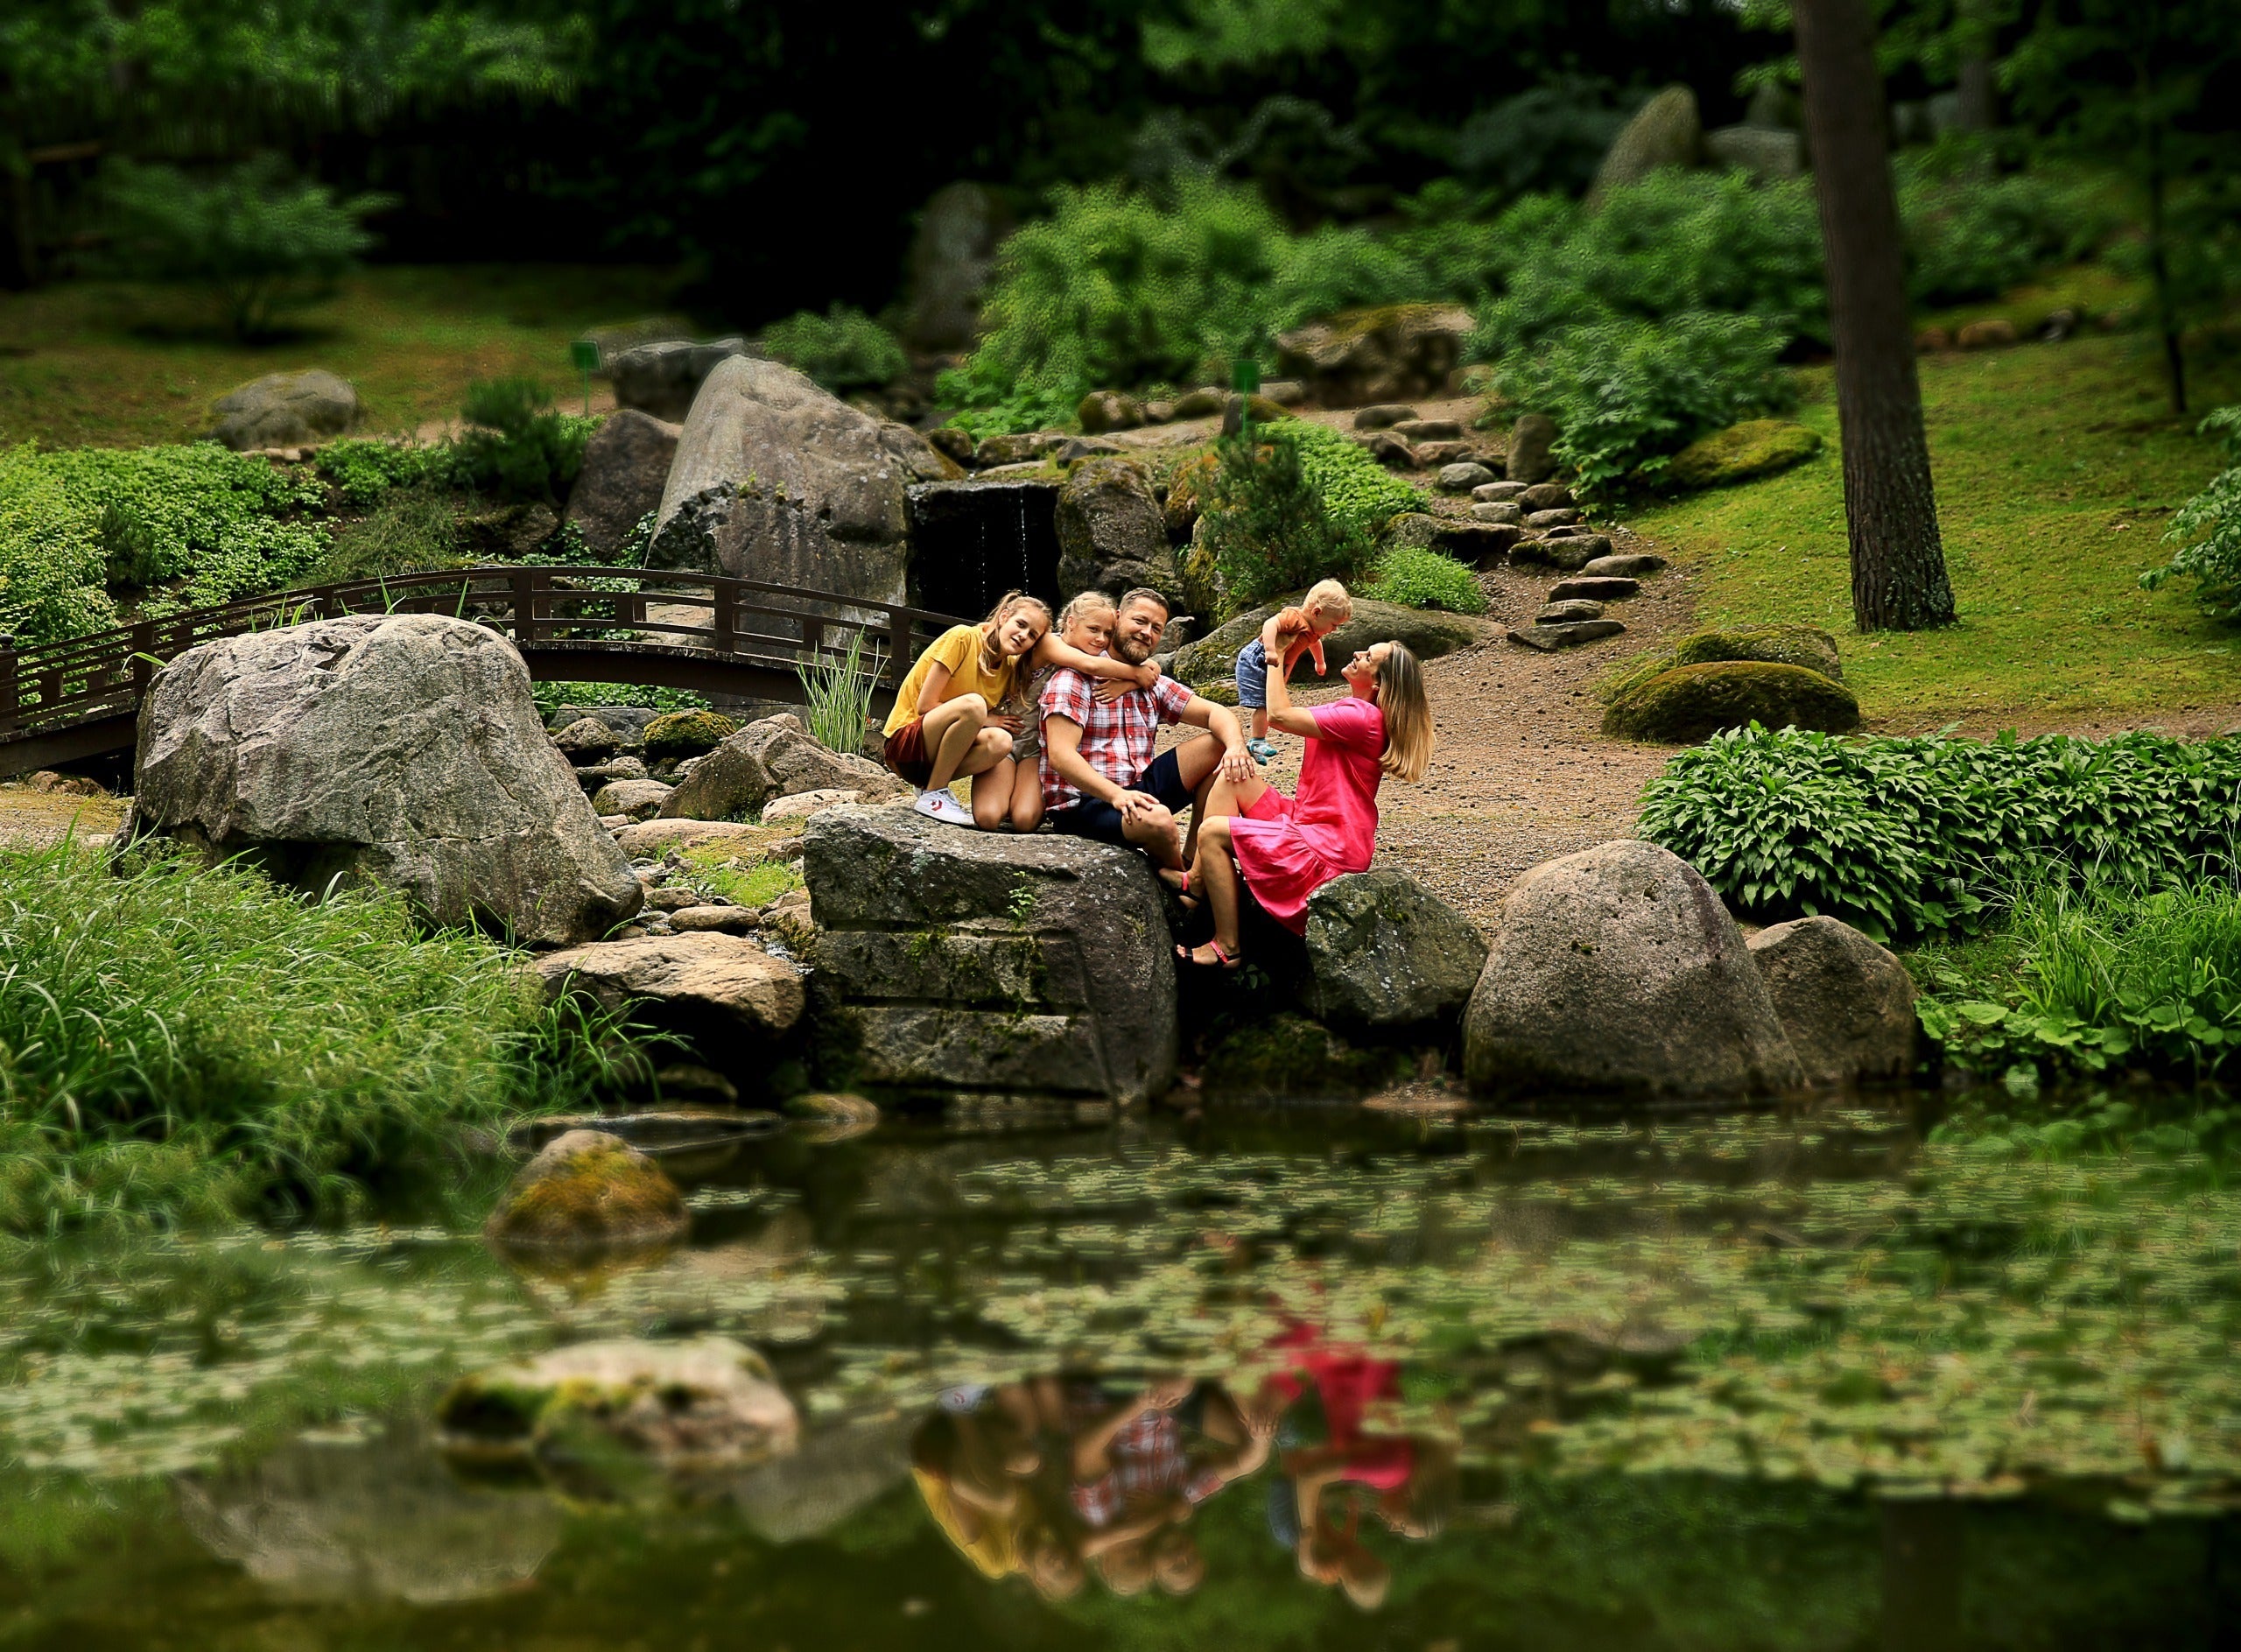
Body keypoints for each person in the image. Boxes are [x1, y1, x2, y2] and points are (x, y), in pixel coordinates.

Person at [1168, 618, 1434, 967]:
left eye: (1368, 657)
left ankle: (1228, 946)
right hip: (1309, 823)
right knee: (1234, 776)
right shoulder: (1356, 710)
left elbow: (1278, 716)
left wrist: (1274, 655)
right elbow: (1281, 707)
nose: (1358, 653)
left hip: (1328, 849)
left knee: (1213, 832)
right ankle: (1198, 881)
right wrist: (1286, 655)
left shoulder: (1362, 717)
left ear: (1378, 683)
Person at [1039, 588, 1255, 869]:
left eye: (1156, 628)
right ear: (1117, 619)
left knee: (1220, 746)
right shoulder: (1073, 677)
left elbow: (1216, 712)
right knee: (1160, 821)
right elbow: (1060, 756)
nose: (1146, 632)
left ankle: (1194, 862)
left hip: (1138, 787)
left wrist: (1236, 746)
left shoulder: (1148, 680)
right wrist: (1117, 795)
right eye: (1140, 621)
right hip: (1085, 803)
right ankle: (1182, 881)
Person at [882, 593, 1050, 828]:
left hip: (932, 762)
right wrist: (987, 719)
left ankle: (929, 786)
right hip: (906, 744)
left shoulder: (1010, 667)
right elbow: (925, 705)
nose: (1023, 635)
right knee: (974, 705)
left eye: (1033, 635)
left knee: (1001, 742)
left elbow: (1060, 649)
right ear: (1004, 617)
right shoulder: (963, 638)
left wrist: (1107, 674)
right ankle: (934, 794)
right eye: (1021, 624)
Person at [1001, 591, 1162, 833]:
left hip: (1034, 747)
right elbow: (1090, 665)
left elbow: (1153, 667)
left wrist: (1129, 683)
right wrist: (1135, 674)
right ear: (1071, 622)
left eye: (1108, 633)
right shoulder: (1049, 642)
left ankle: (1021, 796)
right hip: (1009, 735)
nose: (1101, 639)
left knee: (1025, 820)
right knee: (991, 815)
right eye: (1093, 629)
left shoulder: (1093, 653)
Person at [1233, 580, 1352, 763]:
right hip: (1257, 659)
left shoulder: (1313, 630)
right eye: (1334, 624)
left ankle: (1257, 743)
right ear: (1317, 613)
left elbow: (1315, 644)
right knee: (1263, 705)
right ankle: (1257, 741)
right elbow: (1270, 624)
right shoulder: (1295, 618)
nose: (1335, 630)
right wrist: (1270, 650)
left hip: (1277, 665)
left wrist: (1320, 662)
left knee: (1270, 703)